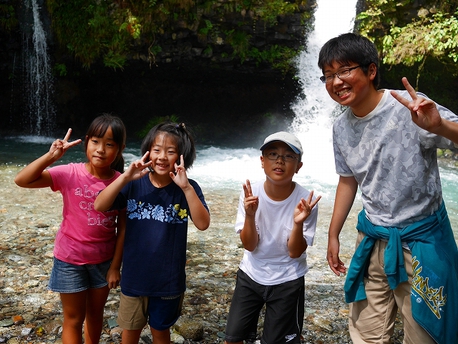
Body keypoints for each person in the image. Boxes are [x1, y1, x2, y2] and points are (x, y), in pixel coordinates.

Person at [318, 32, 458, 344]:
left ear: (370, 71)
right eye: (328, 75)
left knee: (426, 335)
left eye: (344, 70)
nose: (336, 82)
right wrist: (333, 233)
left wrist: (440, 126)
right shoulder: (340, 127)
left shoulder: (410, 108)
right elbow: (348, 179)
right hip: (372, 238)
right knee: (366, 334)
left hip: (422, 242)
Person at [14, 114, 127, 344]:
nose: (101, 150)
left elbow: (124, 228)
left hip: (103, 262)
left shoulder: (122, 181)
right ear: (86, 142)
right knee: (73, 319)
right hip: (69, 260)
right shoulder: (70, 173)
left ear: (120, 149)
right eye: (95, 141)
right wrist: (51, 157)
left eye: (109, 144)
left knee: (96, 316)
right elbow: (22, 180)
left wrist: (115, 266)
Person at [94, 121, 210, 344]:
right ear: (147, 151)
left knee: (160, 332)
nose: (162, 157)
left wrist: (186, 188)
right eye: (156, 149)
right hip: (134, 279)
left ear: (182, 156)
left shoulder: (189, 188)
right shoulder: (134, 184)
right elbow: (99, 205)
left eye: (170, 151)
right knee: (130, 332)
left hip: (168, 281)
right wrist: (125, 177)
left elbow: (203, 223)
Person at [224, 131, 321, 344]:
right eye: (272, 154)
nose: (279, 160)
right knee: (232, 338)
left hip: (288, 278)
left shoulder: (306, 200)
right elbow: (249, 245)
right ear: (262, 161)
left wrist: (298, 222)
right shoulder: (251, 193)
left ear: (299, 166)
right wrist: (250, 214)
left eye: (288, 156)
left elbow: (295, 252)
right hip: (251, 273)